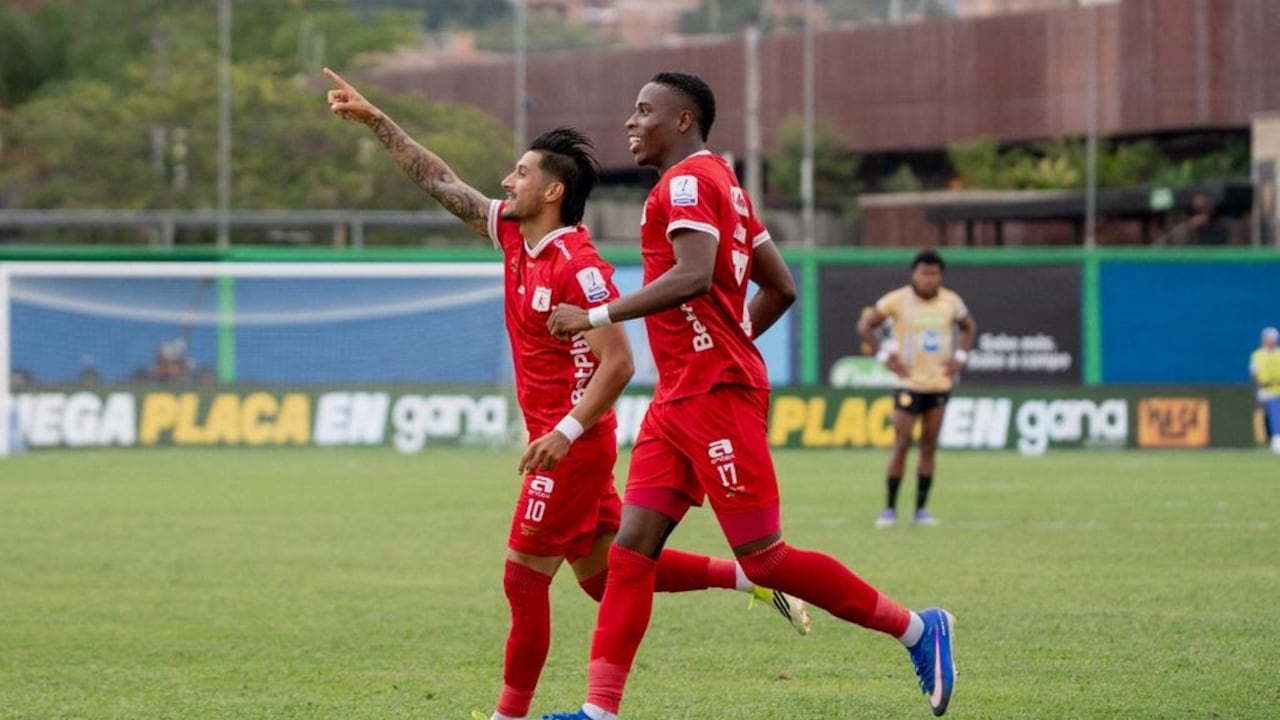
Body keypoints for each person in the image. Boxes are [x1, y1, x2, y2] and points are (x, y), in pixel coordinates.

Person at [323, 68, 810, 720]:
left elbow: (618, 363)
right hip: (559, 440)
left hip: (572, 442)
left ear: (552, 190)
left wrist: (566, 433)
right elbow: (443, 183)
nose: (506, 182)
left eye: (520, 173)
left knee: (522, 579)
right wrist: (377, 121)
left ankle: (508, 715)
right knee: (607, 578)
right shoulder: (513, 237)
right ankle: (745, 577)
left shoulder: (580, 268)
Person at [543, 71, 957, 719]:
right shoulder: (727, 187)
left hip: (713, 396)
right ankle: (598, 713)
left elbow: (694, 274)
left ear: (683, 121)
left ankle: (918, 627)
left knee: (765, 559)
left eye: (644, 110)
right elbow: (781, 287)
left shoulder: (684, 183)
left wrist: (598, 317)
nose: (630, 121)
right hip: (681, 396)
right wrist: (724, 342)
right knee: (629, 554)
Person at [857, 249, 977, 528]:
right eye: (923, 272)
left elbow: (969, 326)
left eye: (933, 274)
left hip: (938, 383)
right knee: (901, 444)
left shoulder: (951, 301)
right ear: (914, 273)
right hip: (907, 383)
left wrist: (960, 357)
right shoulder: (897, 300)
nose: (927, 279)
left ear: (940, 276)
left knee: (929, 446)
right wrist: (884, 355)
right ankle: (889, 509)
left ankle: (921, 511)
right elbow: (866, 325)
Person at [1251, 326, 1280, 453]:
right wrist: (1257, 391)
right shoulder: (1257, 355)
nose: (1269, 341)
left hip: (1278, 389)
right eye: (1267, 338)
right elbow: (1254, 374)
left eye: (1271, 339)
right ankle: (1269, 440)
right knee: (1265, 417)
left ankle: (1276, 439)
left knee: (1275, 412)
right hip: (1265, 390)